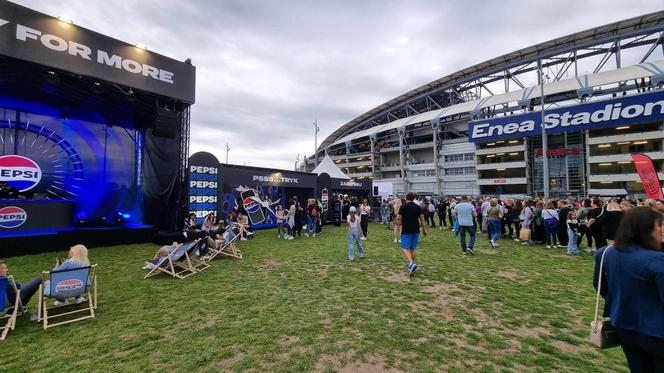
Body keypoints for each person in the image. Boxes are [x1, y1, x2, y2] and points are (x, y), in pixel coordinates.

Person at [593, 207, 664, 372]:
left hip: (624, 325)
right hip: (657, 332)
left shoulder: (606, 253)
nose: (662, 229)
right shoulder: (657, 260)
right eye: (659, 225)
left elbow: (600, 286)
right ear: (645, 228)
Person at [397, 192, 427, 276]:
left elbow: (399, 218)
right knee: (413, 248)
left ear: (406, 197)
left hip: (406, 229)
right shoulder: (418, 207)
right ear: (413, 198)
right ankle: (412, 265)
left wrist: (397, 221)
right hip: (416, 229)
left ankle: (411, 263)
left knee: (404, 247)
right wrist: (424, 230)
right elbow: (422, 220)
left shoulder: (403, 207)